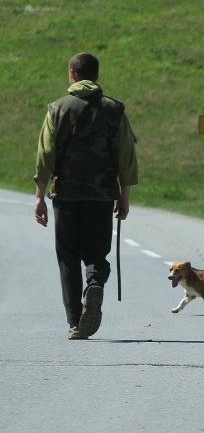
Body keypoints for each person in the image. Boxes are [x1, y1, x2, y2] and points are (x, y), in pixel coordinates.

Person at [34, 52, 139, 340]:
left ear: (72, 75)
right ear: (96, 75)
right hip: (102, 196)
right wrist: (125, 197)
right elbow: (127, 157)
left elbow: (45, 155)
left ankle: (75, 322)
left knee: (67, 257)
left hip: (66, 196)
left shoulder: (57, 109)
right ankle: (94, 284)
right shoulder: (114, 110)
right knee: (96, 253)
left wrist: (40, 196)